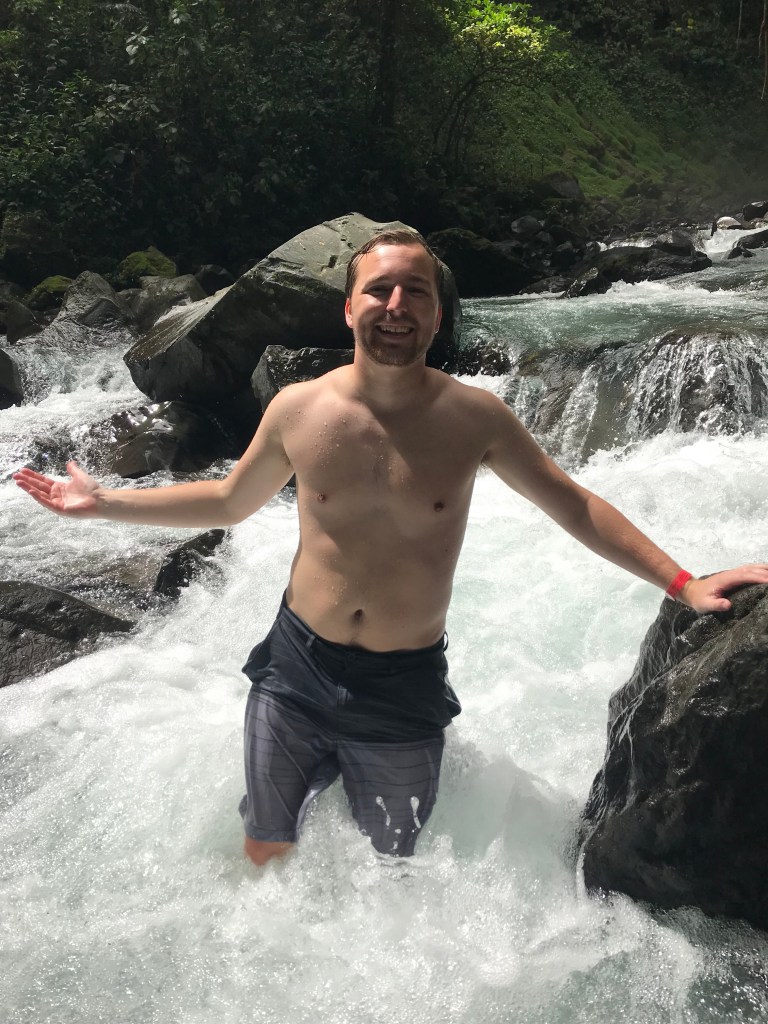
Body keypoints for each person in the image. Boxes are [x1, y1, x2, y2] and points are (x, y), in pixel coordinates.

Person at [13, 229, 768, 865]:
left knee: (393, 868)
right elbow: (229, 500)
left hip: (402, 687)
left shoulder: (475, 419)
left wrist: (681, 582)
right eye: (379, 290)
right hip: (294, 671)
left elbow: (573, 504)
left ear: (438, 314)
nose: (396, 306)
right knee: (268, 841)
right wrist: (104, 503)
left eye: (416, 292)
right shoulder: (299, 409)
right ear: (349, 308)